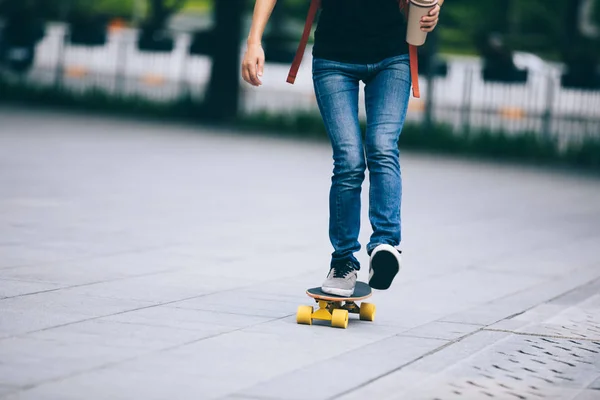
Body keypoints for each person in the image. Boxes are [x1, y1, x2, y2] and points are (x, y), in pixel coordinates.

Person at [242, 0, 442, 296]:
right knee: (349, 159)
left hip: (392, 57)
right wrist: (254, 41)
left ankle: (385, 246)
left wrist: (434, 7)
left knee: (382, 146)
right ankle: (343, 262)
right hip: (334, 60)